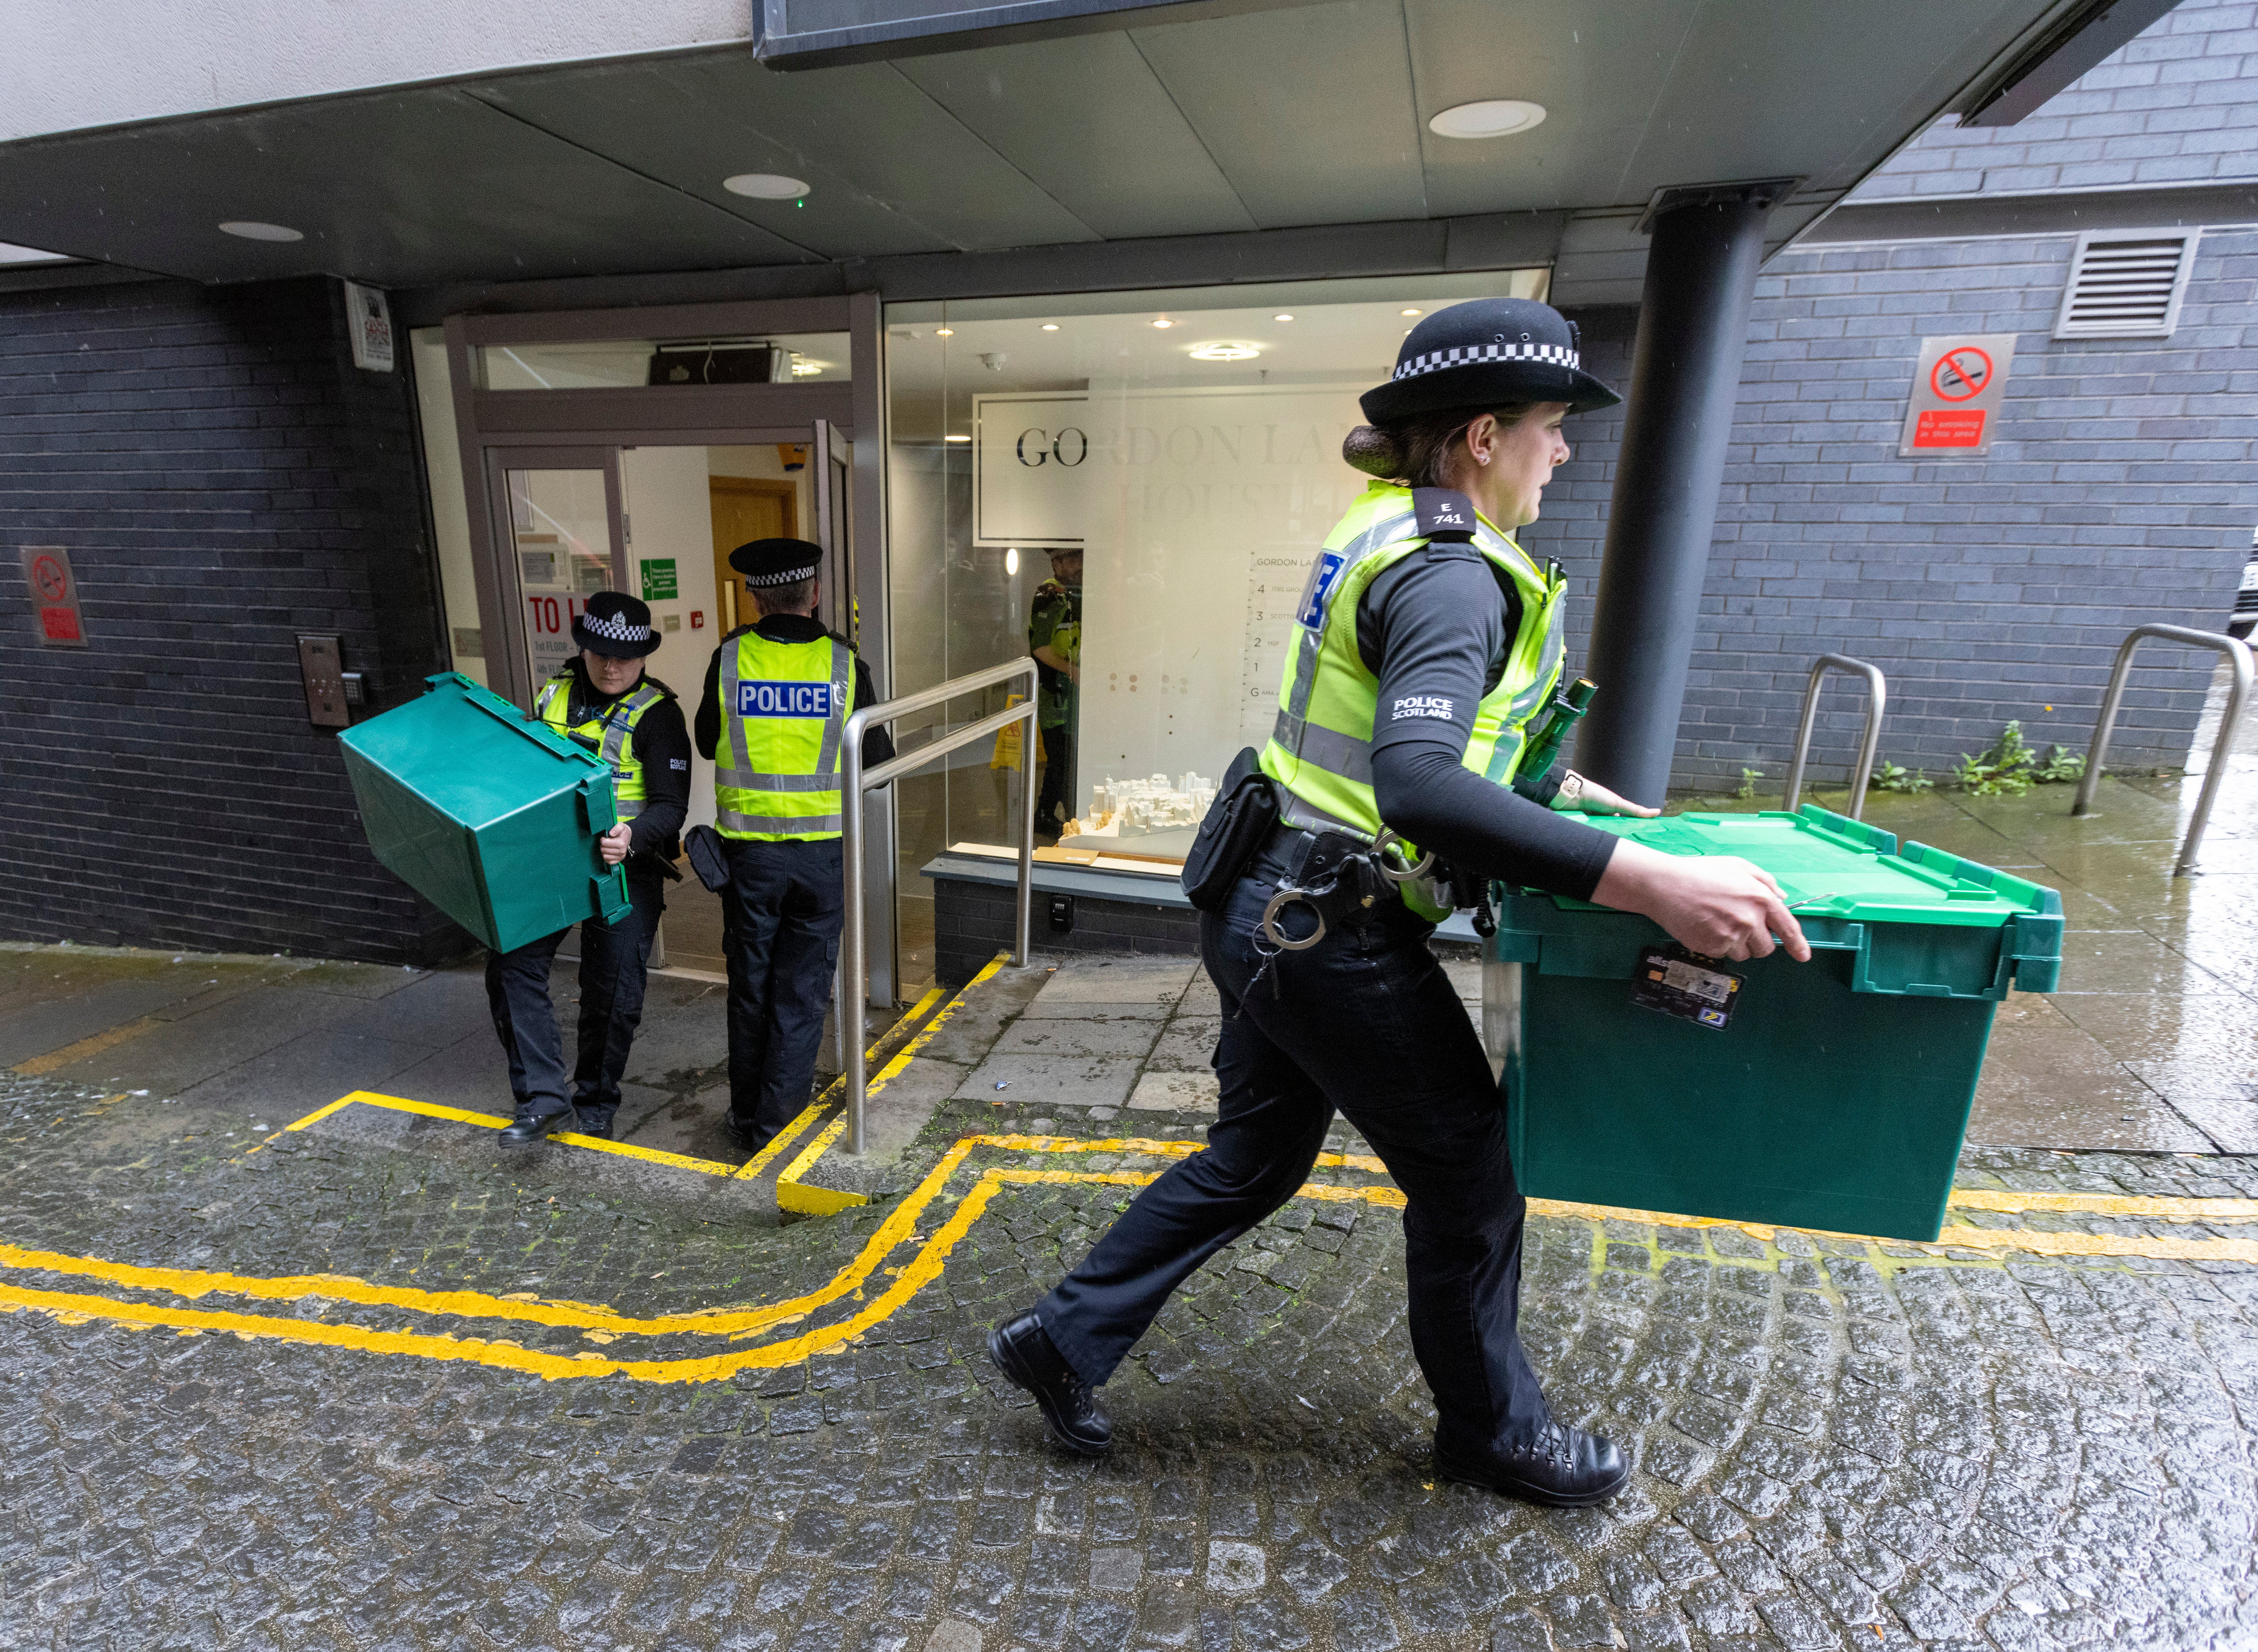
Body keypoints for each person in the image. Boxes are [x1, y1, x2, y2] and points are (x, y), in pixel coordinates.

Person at [987, 297, 1812, 1507]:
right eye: (1549, 426)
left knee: (1253, 1158)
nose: (1563, 448)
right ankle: (1490, 1432)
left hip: (1264, 897)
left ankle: (1059, 1339)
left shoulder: (1383, 526)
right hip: (1329, 930)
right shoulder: (1449, 577)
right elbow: (1417, 780)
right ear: (1480, 434)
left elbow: (1446, 746)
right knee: (1471, 1177)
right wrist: (1651, 884)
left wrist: (1583, 806)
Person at [695, 538, 895, 1154]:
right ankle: (777, 1128)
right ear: (813, 595)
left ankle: (745, 1116)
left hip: (749, 860)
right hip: (821, 859)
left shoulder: (729, 659)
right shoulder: (843, 665)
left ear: (755, 598)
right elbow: (879, 759)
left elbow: (706, 742)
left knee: (751, 987)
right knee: (802, 993)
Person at [488, 592, 690, 1145]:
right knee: (511, 966)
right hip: (553, 859)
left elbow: (672, 806)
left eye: (624, 656)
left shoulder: (660, 714)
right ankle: (542, 1098)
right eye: (600, 652)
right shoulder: (553, 693)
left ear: (643, 655)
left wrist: (631, 835)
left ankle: (596, 1099)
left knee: (614, 991)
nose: (611, 665)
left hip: (625, 865)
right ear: (583, 646)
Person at [1026, 547, 1082, 835]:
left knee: (1072, 760)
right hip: (1054, 695)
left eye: (1080, 558)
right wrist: (1073, 672)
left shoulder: (1081, 593)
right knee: (1060, 761)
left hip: (1073, 697)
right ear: (1056, 563)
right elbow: (1041, 648)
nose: (1078, 565)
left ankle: (1071, 814)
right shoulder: (1049, 595)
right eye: (1070, 559)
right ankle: (1045, 815)